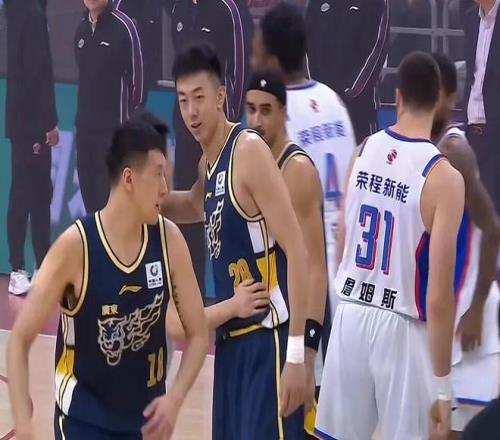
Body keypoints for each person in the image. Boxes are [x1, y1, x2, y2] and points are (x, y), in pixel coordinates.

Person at [7, 113, 208, 440]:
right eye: (158, 174)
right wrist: (24, 423)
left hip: (144, 424)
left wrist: (175, 398)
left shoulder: (169, 240)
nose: (165, 189)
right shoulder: (75, 247)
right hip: (83, 422)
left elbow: (198, 334)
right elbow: (19, 341)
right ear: (129, 179)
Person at [315, 52, 465, 440]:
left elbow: (342, 245)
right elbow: (438, 297)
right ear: (438, 102)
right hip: (401, 328)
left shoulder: (362, 152)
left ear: (396, 98)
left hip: (349, 315)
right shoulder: (444, 177)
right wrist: (442, 386)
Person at [163, 42, 308, 439]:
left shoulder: (248, 151)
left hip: (267, 341)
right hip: (230, 342)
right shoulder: (208, 163)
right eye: (182, 100)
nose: (191, 111)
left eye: (199, 98)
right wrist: (143, 201)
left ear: (220, 96)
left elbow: (298, 250)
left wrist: (298, 355)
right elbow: (193, 204)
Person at [251, 2, 357, 358]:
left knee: (302, 383)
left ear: (271, 58)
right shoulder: (334, 102)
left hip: (304, 280)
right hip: (347, 272)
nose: (252, 58)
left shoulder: (273, 118)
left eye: (256, 50)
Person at [430, 53, 500, 438]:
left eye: (433, 92)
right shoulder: (418, 148)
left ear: (449, 97)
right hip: (444, 320)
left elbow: (492, 230)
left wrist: (476, 307)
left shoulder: (454, 151)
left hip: (473, 323)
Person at [166, 0, 254, 294]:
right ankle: (192, 296)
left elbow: (239, 70)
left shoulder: (229, 9)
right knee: (189, 217)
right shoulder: (179, 9)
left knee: (224, 212)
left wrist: (226, 124)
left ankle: (234, 293)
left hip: (219, 130)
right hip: (185, 129)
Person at [4, 0, 59, 295]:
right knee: (25, 193)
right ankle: (17, 269)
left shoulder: (26, 10)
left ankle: (42, 264)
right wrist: (49, 122)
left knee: (39, 194)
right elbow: (37, 72)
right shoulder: (30, 12)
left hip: (24, 120)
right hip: (30, 124)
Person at [74, 0, 143, 214]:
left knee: (110, 203)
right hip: (85, 131)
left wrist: (124, 119)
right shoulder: (81, 29)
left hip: (112, 132)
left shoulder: (124, 27)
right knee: (90, 202)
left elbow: (137, 83)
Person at [305, 0, 390, 143]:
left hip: (358, 110)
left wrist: (348, 94)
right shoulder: (315, 3)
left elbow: (375, 52)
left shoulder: (375, 3)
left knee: (362, 157)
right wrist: (317, 92)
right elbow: (307, 48)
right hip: (320, 109)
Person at [463, 0, 500, 280]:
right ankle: (477, 281)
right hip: (472, 129)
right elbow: (473, 76)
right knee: (473, 215)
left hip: (496, 130)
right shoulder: (468, 18)